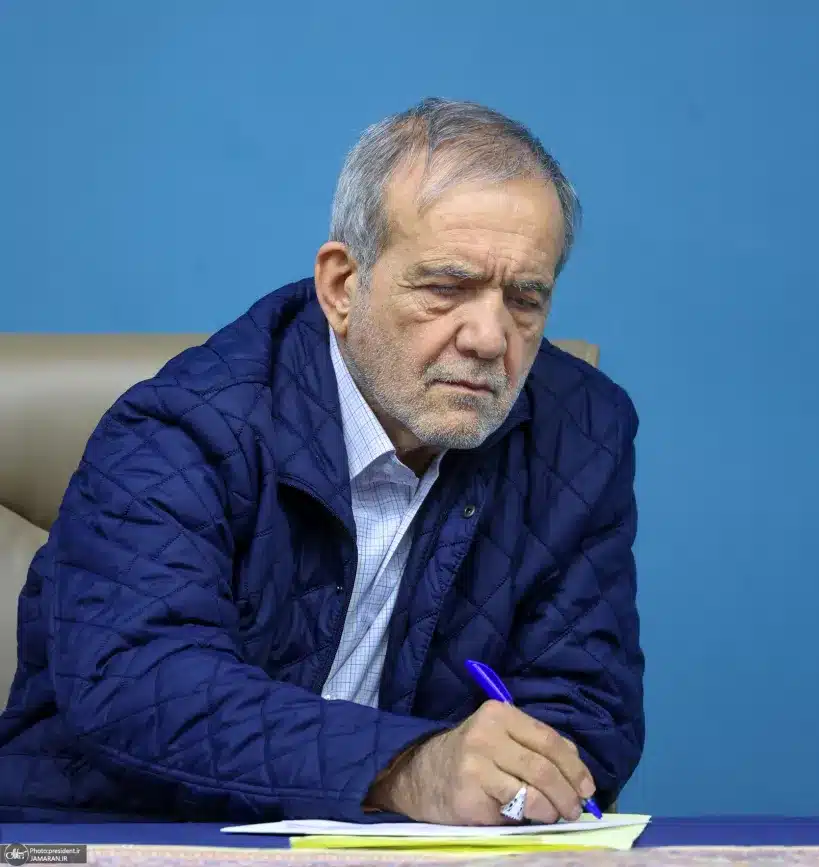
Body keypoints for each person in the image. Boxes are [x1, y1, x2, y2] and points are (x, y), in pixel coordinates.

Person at [0, 98, 645, 825]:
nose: (490, 338)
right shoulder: (180, 427)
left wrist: (525, 777)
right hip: (123, 833)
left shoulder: (581, 431)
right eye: (447, 288)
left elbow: (587, 705)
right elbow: (140, 686)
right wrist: (405, 767)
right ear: (342, 286)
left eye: (525, 299)